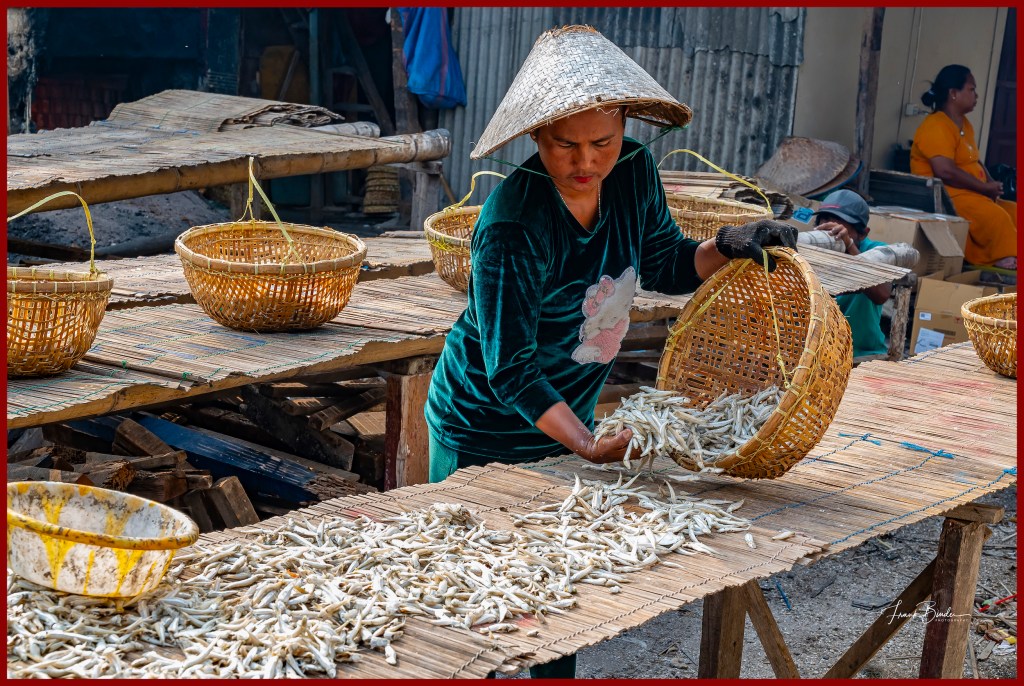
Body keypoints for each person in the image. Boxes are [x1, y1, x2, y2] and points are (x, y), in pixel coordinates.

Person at [424, 25, 798, 677]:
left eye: (602, 141)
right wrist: (587, 444)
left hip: (568, 420)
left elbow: (665, 261)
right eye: (564, 145)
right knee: (480, 603)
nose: (586, 161)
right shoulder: (514, 223)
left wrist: (727, 245)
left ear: (625, 124)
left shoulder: (633, 173)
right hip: (484, 427)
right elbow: (510, 369)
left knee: (558, 596)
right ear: (536, 137)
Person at [910, 64, 1017, 270]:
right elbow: (945, 171)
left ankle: (1009, 251)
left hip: (973, 192)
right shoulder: (936, 125)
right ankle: (1000, 256)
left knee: (1014, 210)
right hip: (948, 195)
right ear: (953, 93)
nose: (976, 95)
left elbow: (974, 160)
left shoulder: (964, 124)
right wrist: (983, 187)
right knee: (997, 217)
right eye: (971, 89)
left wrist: (990, 183)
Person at [813, 189, 891, 357]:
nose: (831, 230)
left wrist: (849, 247)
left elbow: (882, 294)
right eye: (825, 219)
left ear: (862, 234)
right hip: (817, 352)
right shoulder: (811, 249)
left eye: (840, 225)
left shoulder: (876, 251)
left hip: (863, 353)